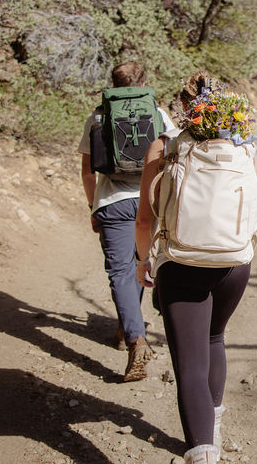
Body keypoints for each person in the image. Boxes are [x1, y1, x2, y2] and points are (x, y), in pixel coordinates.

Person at [135, 71, 257, 464]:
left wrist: (142, 260)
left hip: (180, 261)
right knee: (215, 339)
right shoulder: (251, 152)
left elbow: (145, 220)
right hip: (235, 264)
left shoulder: (163, 147)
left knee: (189, 364)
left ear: (184, 108)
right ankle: (211, 430)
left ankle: (203, 453)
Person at [79, 61, 176, 382]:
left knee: (122, 271)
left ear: (112, 83)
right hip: (152, 202)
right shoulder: (160, 116)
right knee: (142, 262)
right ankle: (130, 329)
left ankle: (134, 337)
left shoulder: (97, 117)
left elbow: (87, 170)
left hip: (113, 204)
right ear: (144, 82)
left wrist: (94, 206)